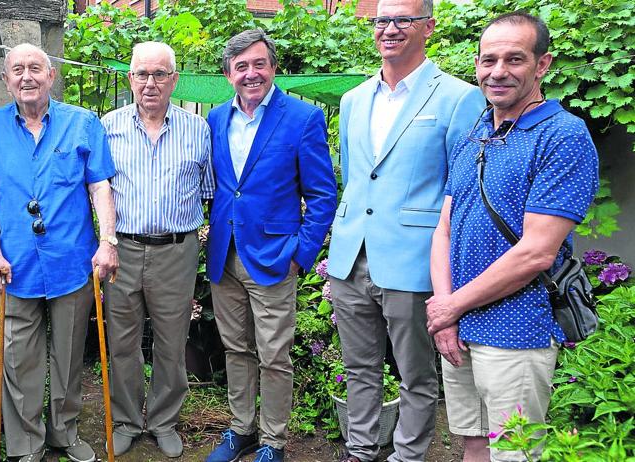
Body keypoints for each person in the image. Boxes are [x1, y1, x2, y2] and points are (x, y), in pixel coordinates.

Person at [426, 12, 598, 462]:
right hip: (459, 325)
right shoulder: (477, 132)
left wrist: (451, 305)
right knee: (473, 441)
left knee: (515, 453)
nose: (497, 71)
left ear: (542, 65)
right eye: (488, 60)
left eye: (514, 59)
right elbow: (444, 225)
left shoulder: (563, 136)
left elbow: (536, 253)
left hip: (518, 329)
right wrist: (446, 312)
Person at [325, 0, 485, 459]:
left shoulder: (457, 97)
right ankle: (361, 451)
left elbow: (462, 188)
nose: (389, 29)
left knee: (417, 374)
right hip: (351, 257)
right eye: (381, 21)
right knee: (359, 369)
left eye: (403, 20)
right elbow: (355, 178)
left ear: (428, 27)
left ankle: (407, 455)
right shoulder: (354, 99)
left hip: (414, 259)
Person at [0, 43, 118, 462]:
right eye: (17, 69)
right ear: (6, 80)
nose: (26, 76)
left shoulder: (82, 123)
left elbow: (100, 187)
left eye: (35, 67)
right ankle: (27, 443)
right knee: (19, 360)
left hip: (72, 262)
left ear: (51, 75)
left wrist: (107, 242)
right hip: (14, 265)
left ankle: (64, 433)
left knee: (70, 354)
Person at [204, 29, 337, 462]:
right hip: (225, 254)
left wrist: (302, 253)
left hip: (276, 258)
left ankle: (273, 441)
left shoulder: (301, 118)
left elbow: (322, 194)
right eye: (241, 67)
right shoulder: (215, 119)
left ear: (273, 68)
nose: (251, 73)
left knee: (274, 356)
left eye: (259, 64)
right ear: (228, 74)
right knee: (236, 349)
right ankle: (241, 430)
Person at [100, 41, 214, 458]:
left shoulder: (198, 130)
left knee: (171, 340)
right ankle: (128, 420)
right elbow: (96, 190)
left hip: (175, 251)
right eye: (142, 74)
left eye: (160, 74)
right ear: (130, 78)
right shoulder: (107, 126)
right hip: (122, 251)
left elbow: (208, 192)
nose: (150, 83)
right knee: (123, 342)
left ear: (174, 79)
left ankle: (164, 420)